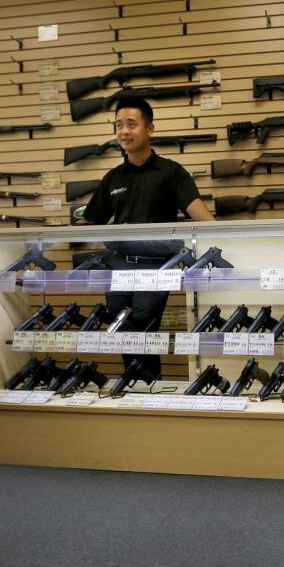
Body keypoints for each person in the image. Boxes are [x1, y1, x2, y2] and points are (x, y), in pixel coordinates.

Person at [81, 96, 215, 378]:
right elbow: (88, 224)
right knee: (120, 329)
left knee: (142, 326)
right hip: (118, 265)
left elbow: (203, 218)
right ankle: (133, 388)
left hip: (157, 266)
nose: (124, 132)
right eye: (119, 125)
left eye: (132, 124)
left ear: (150, 129)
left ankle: (146, 385)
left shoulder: (171, 172)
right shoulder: (113, 178)